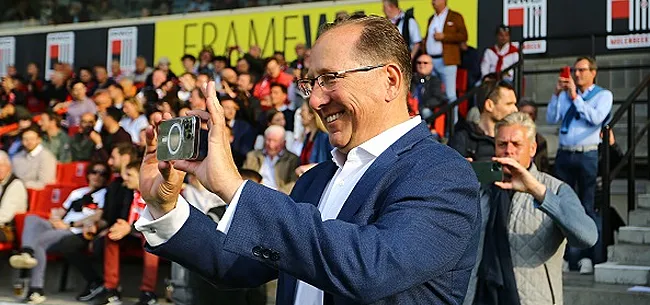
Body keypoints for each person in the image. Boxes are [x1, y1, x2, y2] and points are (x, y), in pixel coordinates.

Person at [135, 15, 480, 305]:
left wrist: (233, 187)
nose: (314, 100)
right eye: (310, 82)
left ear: (389, 80)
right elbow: (238, 265)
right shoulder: (314, 180)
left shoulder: (442, 174)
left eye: (329, 79)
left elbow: (370, 268)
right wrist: (166, 208)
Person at [464, 112, 597, 305]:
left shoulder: (553, 188)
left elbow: (587, 237)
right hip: (478, 297)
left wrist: (536, 191)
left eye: (516, 144)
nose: (508, 151)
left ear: (532, 148)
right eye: (502, 144)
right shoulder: (478, 188)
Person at [546, 56, 612, 274]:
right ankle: (566, 257)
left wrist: (575, 97)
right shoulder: (566, 94)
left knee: (587, 206)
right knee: (562, 207)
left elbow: (595, 118)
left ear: (593, 72)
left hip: (587, 155)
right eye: (574, 70)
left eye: (582, 70)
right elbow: (551, 117)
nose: (577, 74)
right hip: (565, 154)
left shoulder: (602, 95)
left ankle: (588, 257)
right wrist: (557, 95)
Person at [9, 162, 109, 304]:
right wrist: (55, 218)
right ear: (88, 174)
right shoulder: (77, 192)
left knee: (39, 241)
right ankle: (26, 252)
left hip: (74, 231)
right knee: (31, 218)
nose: (97, 176)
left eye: (102, 174)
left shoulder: (105, 193)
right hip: (61, 225)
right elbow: (61, 211)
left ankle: (36, 289)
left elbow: (98, 216)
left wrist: (69, 225)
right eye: (94, 172)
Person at [91, 161, 160, 305]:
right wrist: (121, 226)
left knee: (150, 239)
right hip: (131, 233)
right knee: (111, 236)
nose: (125, 178)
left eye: (129, 175)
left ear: (141, 176)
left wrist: (130, 228)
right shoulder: (127, 192)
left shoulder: (154, 194)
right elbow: (122, 217)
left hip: (151, 233)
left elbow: (156, 225)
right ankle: (111, 289)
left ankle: (148, 292)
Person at [448, 80, 518, 161]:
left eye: (515, 104)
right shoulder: (462, 139)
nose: (515, 109)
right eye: (509, 104)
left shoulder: (516, 140)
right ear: (489, 105)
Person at [422, 0, 468, 122]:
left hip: (447, 61)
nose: (433, 2)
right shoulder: (431, 18)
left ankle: (454, 125)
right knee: (431, 93)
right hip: (431, 62)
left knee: (450, 95)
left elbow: (464, 36)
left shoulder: (455, 16)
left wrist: (444, 37)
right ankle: (433, 124)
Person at [243, 125, 300, 194]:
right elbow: (244, 177)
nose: (271, 145)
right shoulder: (252, 156)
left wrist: (277, 195)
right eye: (268, 140)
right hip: (255, 193)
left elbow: (293, 183)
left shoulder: (292, 159)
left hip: (278, 196)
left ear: (284, 143)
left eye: (275, 141)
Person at [294, 102, 333, 176]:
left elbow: (335, 163)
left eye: (303, 110)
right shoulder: (308, 137)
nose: (300, 114)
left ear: (311, 115)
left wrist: (311, 167)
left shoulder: (325, 137)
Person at [0, 151, 28, 243]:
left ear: (9, 166)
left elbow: (5, 216)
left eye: (1, 166)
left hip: (8, 230)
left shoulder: (15, 185)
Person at [411, 52, 447, 120]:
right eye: (419, 62)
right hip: (411, 110)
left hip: (426, 110)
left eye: (425, 63)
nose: (421, 65)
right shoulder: (411, 79)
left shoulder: (435, 81)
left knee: (426, 111)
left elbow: (439, 98)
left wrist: (422, 106)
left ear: (431, 65)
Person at [518, 98, 550, 173]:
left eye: (530, 114)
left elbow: (544, 167)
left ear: (535, 117)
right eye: (524, 113)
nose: (527, 117)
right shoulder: (509, 138)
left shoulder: (541, 141)